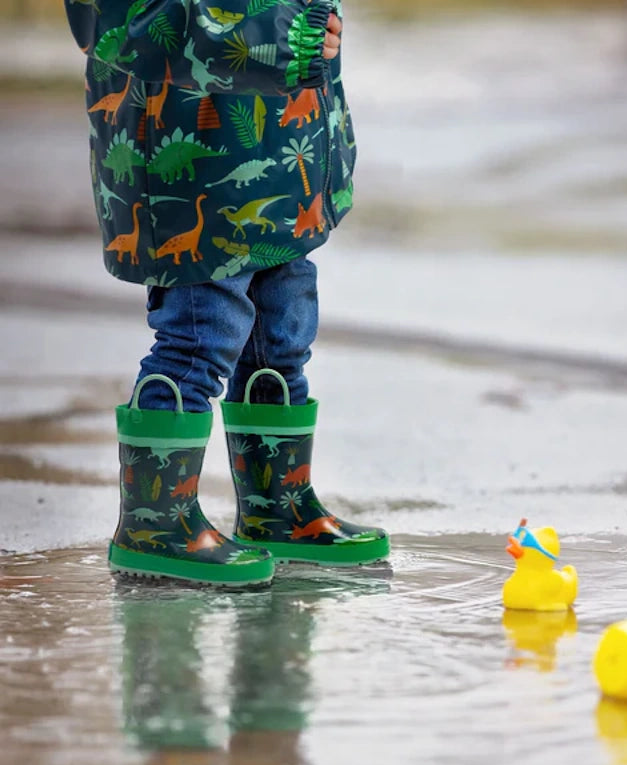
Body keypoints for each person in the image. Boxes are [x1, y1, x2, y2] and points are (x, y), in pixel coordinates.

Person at [64, 0, 390, 588]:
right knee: (200, 336)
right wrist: (285, 39)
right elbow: (128, 20)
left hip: (283, 153)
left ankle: (277, 507)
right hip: (191, 154)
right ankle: (155, 524)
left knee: (282, 330)